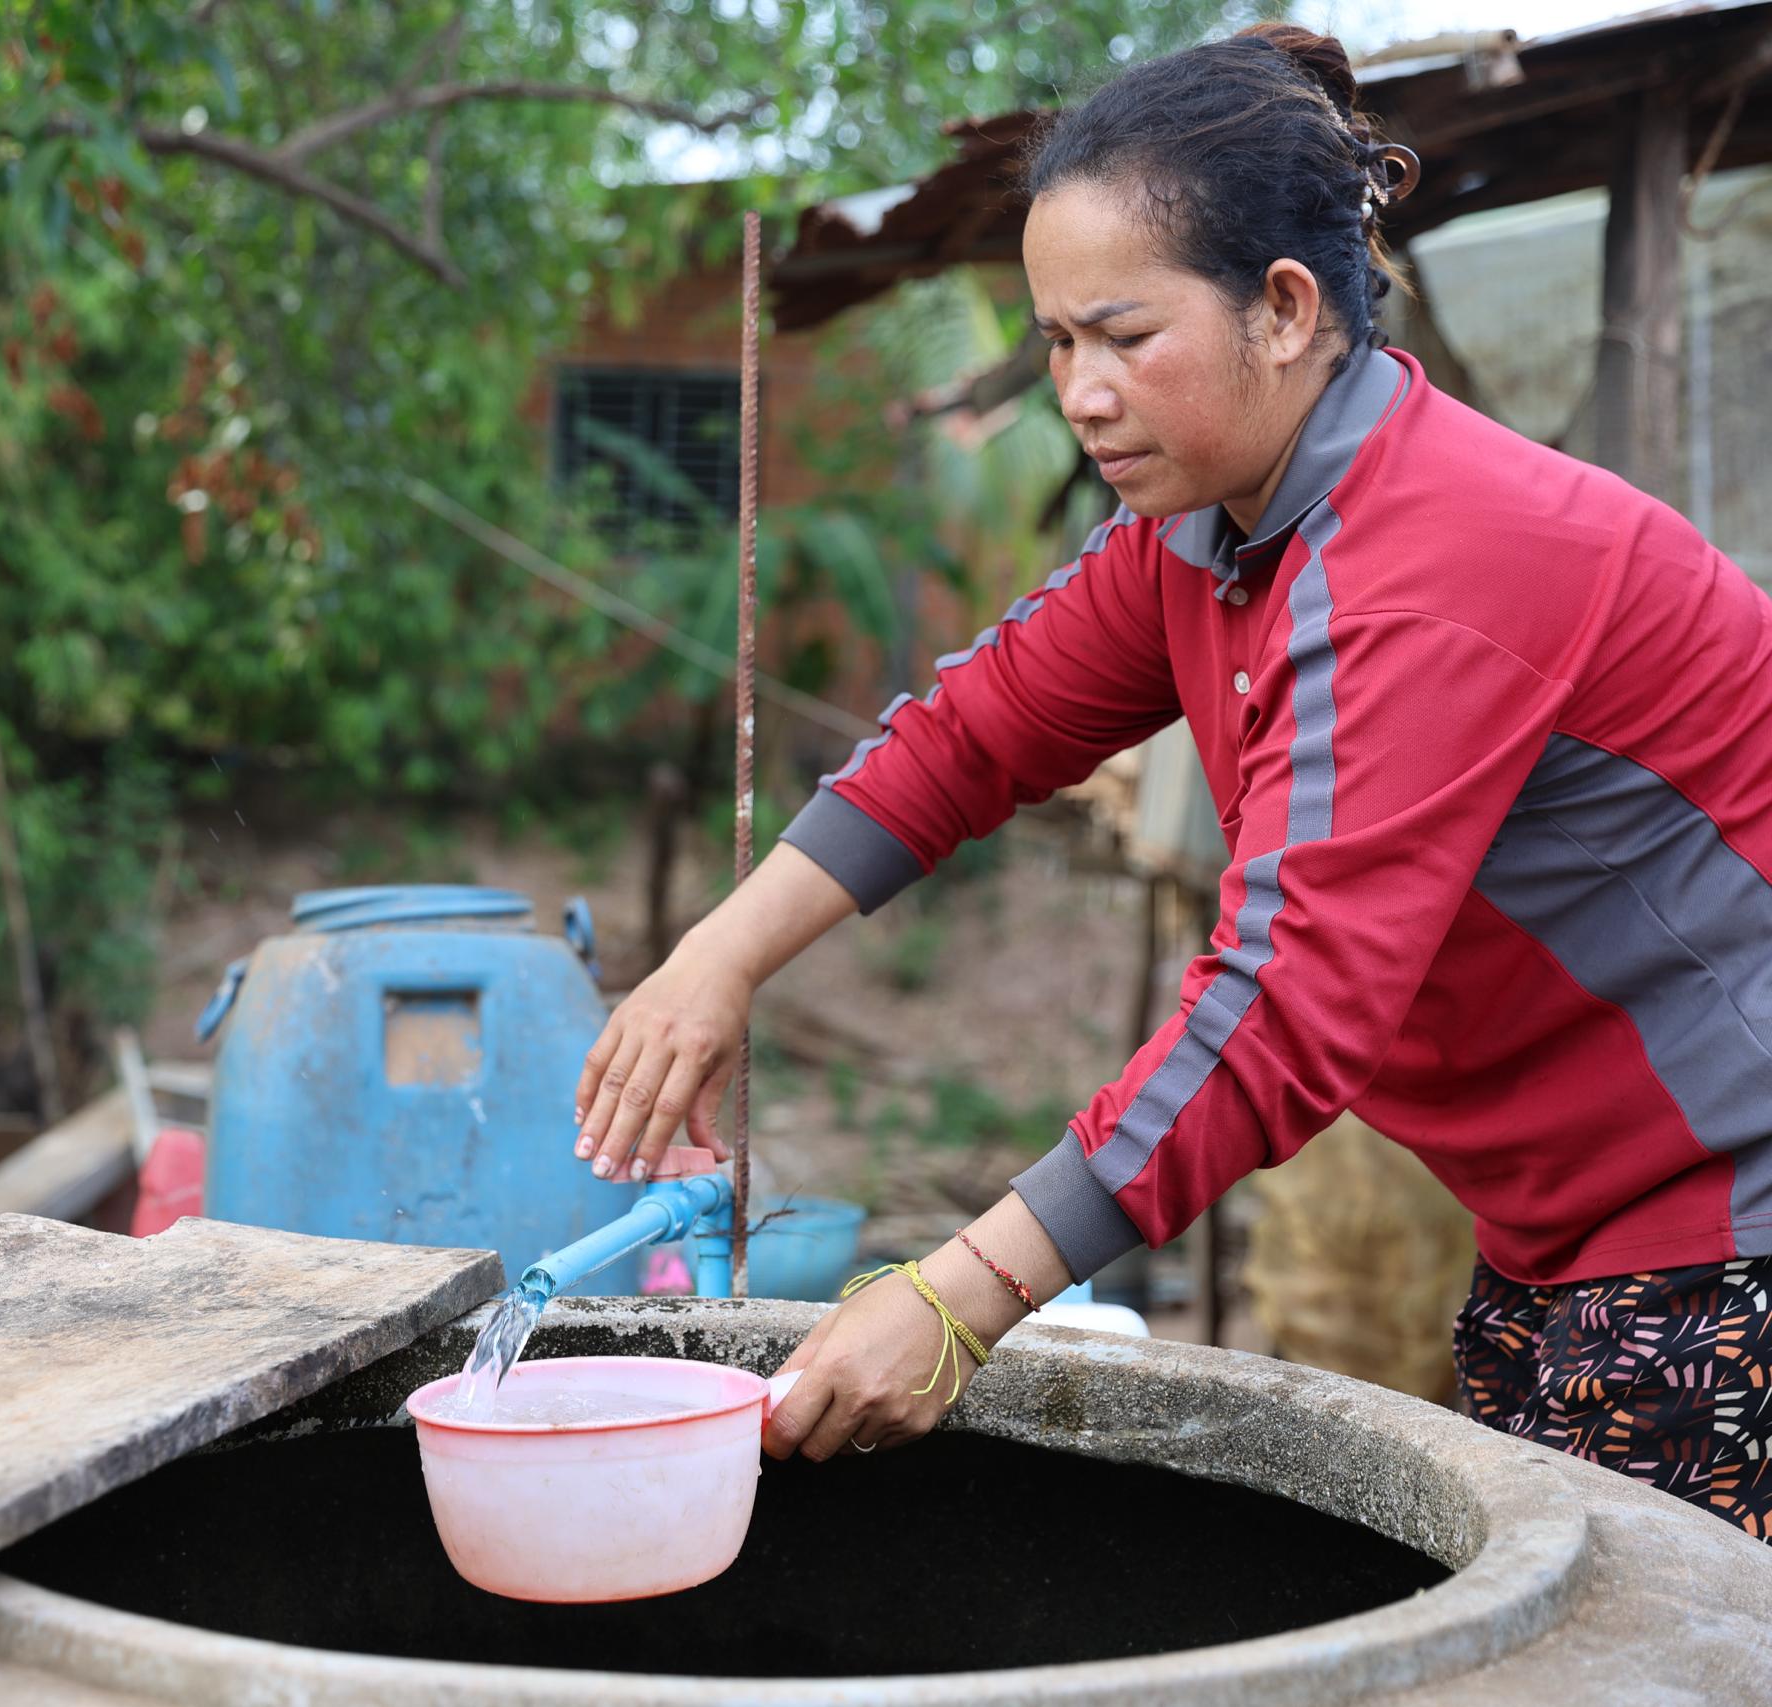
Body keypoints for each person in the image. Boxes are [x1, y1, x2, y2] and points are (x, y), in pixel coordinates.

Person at [571, 21, 1772, 1541]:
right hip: (1574, 1214)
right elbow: (971, 732)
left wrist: (961, 1294)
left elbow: (1281, 1008)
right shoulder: (1212, 531)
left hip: (1727, 1216)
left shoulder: (1430, 564)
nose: (1078, 391)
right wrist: (714, 961)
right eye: (1057, 341)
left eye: (1123, 337)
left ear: (1282, 311)